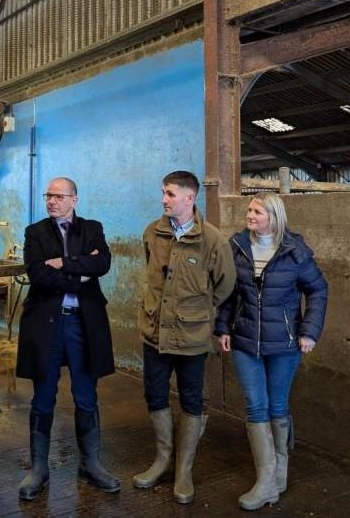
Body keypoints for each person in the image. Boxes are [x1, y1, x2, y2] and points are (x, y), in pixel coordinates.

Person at [215, 192, 327, 511]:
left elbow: (318, 289)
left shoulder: (295, 252)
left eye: (257, 211)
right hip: (244, 339)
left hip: (285, 342)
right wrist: (223, 327)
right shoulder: (237, 247)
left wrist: (309, 331)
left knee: (277, 404)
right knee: (255, 406)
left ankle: (279, 474)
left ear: (273, 217)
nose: (249, 215)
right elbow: (228, 293)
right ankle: (266, 481)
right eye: (249, 210)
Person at [134, 170, 236, 504]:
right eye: (163, 192)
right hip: (155, 334)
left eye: (170, 194)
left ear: (189, 198)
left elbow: (224, 286)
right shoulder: (153, 233)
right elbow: (152, 276)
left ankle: (184, 471)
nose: (164, 199)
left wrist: (196, 312)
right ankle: (163, 460)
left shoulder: (213, 240)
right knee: (155, 394)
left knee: (191, 399)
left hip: (192, 337)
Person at [16, 177, 120, 500]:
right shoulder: (35, 232)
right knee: (43, 395)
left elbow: (102, 262)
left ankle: (91, 463)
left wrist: (64, 263)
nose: (51, 201)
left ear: (74, 199)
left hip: (83, 324)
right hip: (47, 324)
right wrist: (80, 274)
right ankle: (39, 468)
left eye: (59, 196)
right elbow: (37, 274)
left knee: (86, 394)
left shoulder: (92, 228)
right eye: (49, 196)